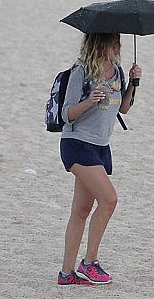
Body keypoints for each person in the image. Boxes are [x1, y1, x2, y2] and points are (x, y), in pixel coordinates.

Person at [58, 33, 142, 285]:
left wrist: (134, 84)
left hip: (101, 147)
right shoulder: (81, 72)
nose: (118, 46)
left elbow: (124, 108)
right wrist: (90, 100)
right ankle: (89, 262)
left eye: (119, 42)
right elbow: (66, 114)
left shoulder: (116, 71)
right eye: (114, 42)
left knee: (81, 211)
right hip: (77, 143)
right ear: (100, 43)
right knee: (109, 200)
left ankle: (66, 274)